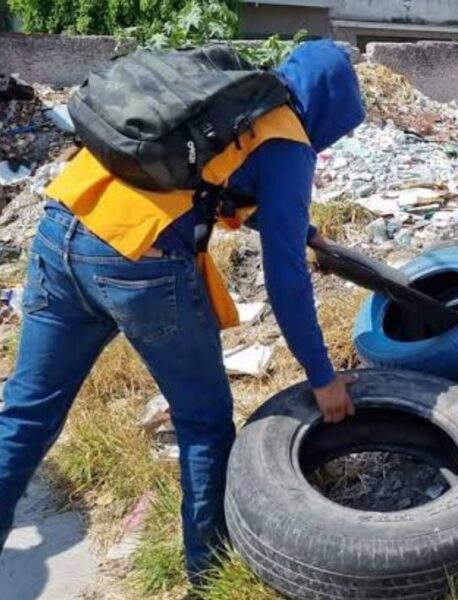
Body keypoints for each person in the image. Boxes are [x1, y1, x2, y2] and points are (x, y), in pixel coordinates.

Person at [0, 40, 365, 584]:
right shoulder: (287, 137)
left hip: (61, 229)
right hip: (137, 264)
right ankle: (209, 578)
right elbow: (285, 282)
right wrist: (322, 376)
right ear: (331, 102)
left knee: (27, 413)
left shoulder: (227, 98)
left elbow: (206, 182)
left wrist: (297, 230)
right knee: (203, 423)